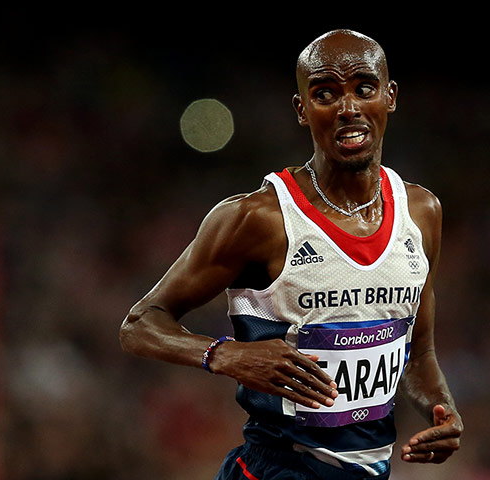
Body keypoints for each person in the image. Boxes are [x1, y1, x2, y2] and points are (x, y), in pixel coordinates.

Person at [120, 29, 463, 480]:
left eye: (364, 88)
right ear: (302, 109)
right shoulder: (257, 218)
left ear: (390, 96)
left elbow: (417, 356)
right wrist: (225, 354)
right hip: (274, 470)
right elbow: (140, 325)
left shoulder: (422, 212)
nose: (348, 108)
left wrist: (444, 412)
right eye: (325, 93)